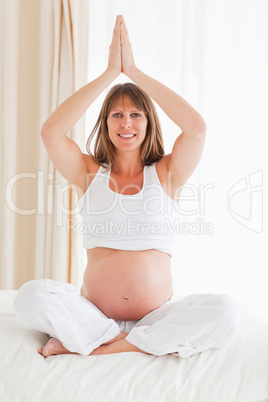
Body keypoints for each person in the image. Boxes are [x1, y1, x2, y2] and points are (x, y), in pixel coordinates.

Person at [13, 15, 241, 358]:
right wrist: (109, 74)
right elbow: (51, 132)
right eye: (116, 115)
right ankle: (119, 341)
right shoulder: (89, 172)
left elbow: (196, 129)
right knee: (29, 296)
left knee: (226, 311)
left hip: (157, 317)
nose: (126, 123)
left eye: (136, 114)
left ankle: (100, 348)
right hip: (94, 315)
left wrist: (132, 71)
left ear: (149, 123)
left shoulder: (166, 173)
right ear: (105, 124)